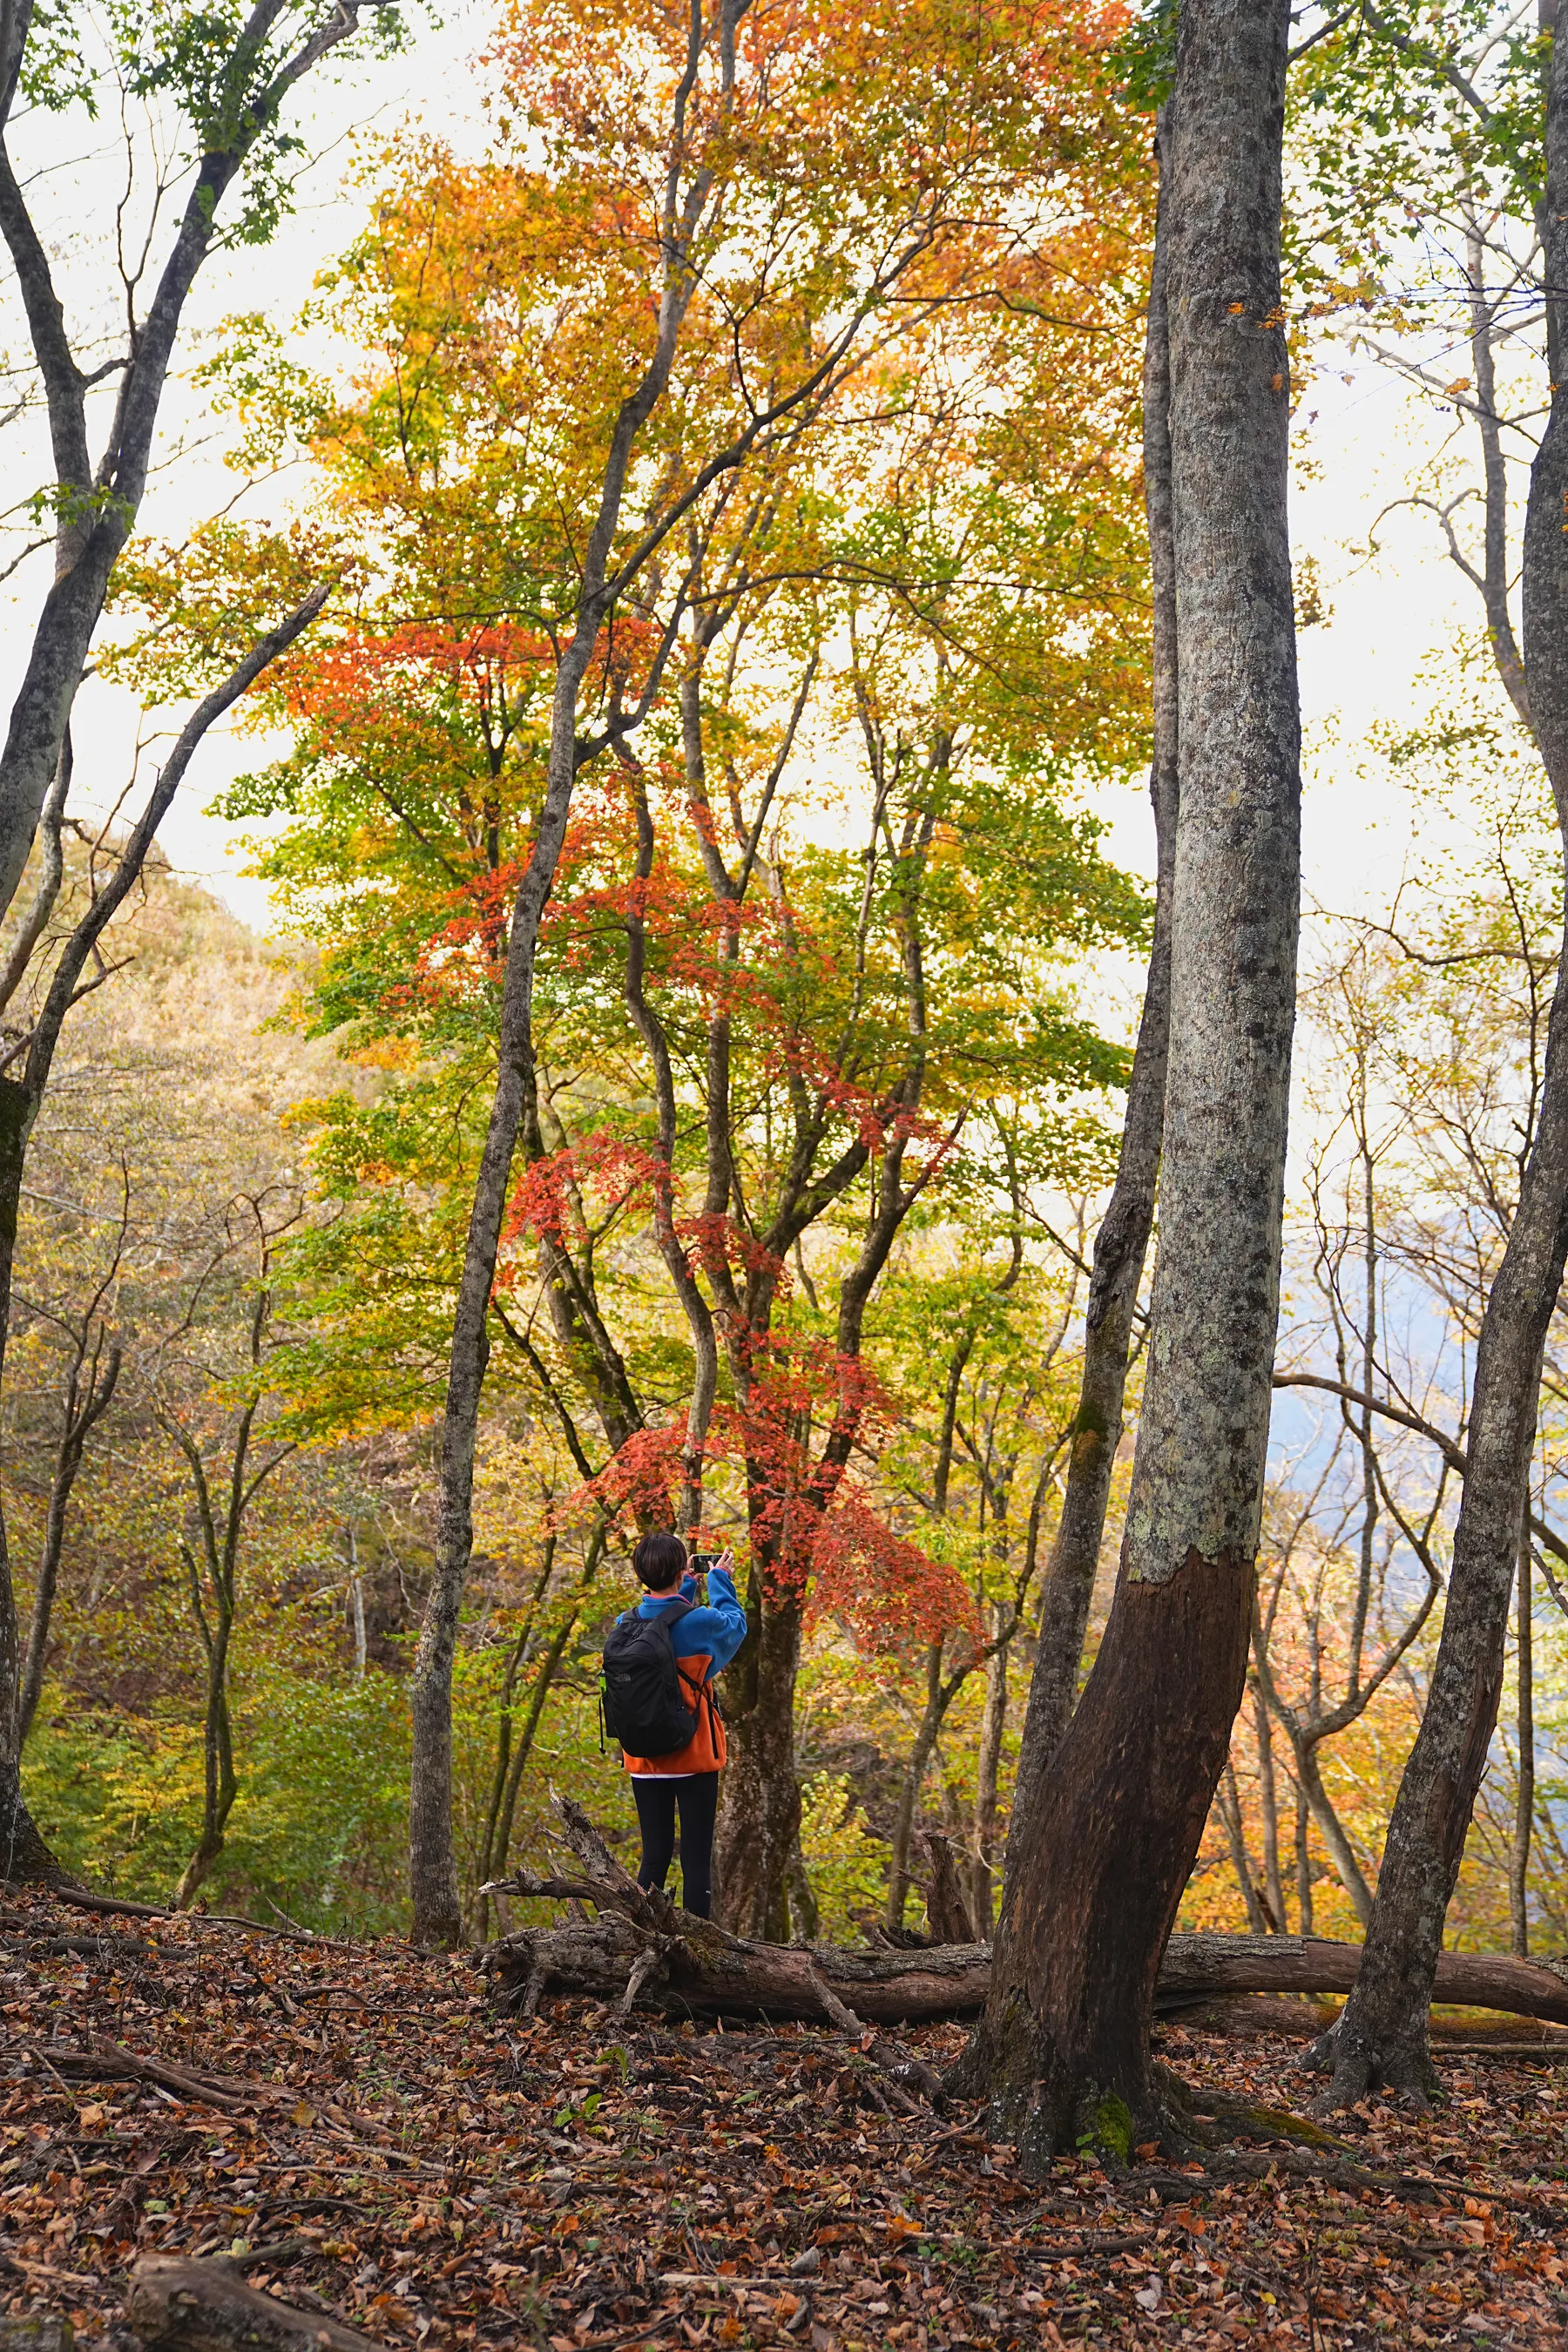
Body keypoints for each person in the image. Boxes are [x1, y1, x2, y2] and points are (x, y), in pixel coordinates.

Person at [618, 1531, 747, 1919]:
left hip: (643, 1760)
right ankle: (699, 1949)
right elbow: (735, 1626)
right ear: (679, 1569)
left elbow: (666, 1618)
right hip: (693, 1757)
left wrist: (684, 1586)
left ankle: (640, 1936)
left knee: (654, 1858)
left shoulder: (625, 1624)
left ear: (641, 1573)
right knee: (695, 1861)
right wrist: (719, 1581)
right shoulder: (702, 1622)